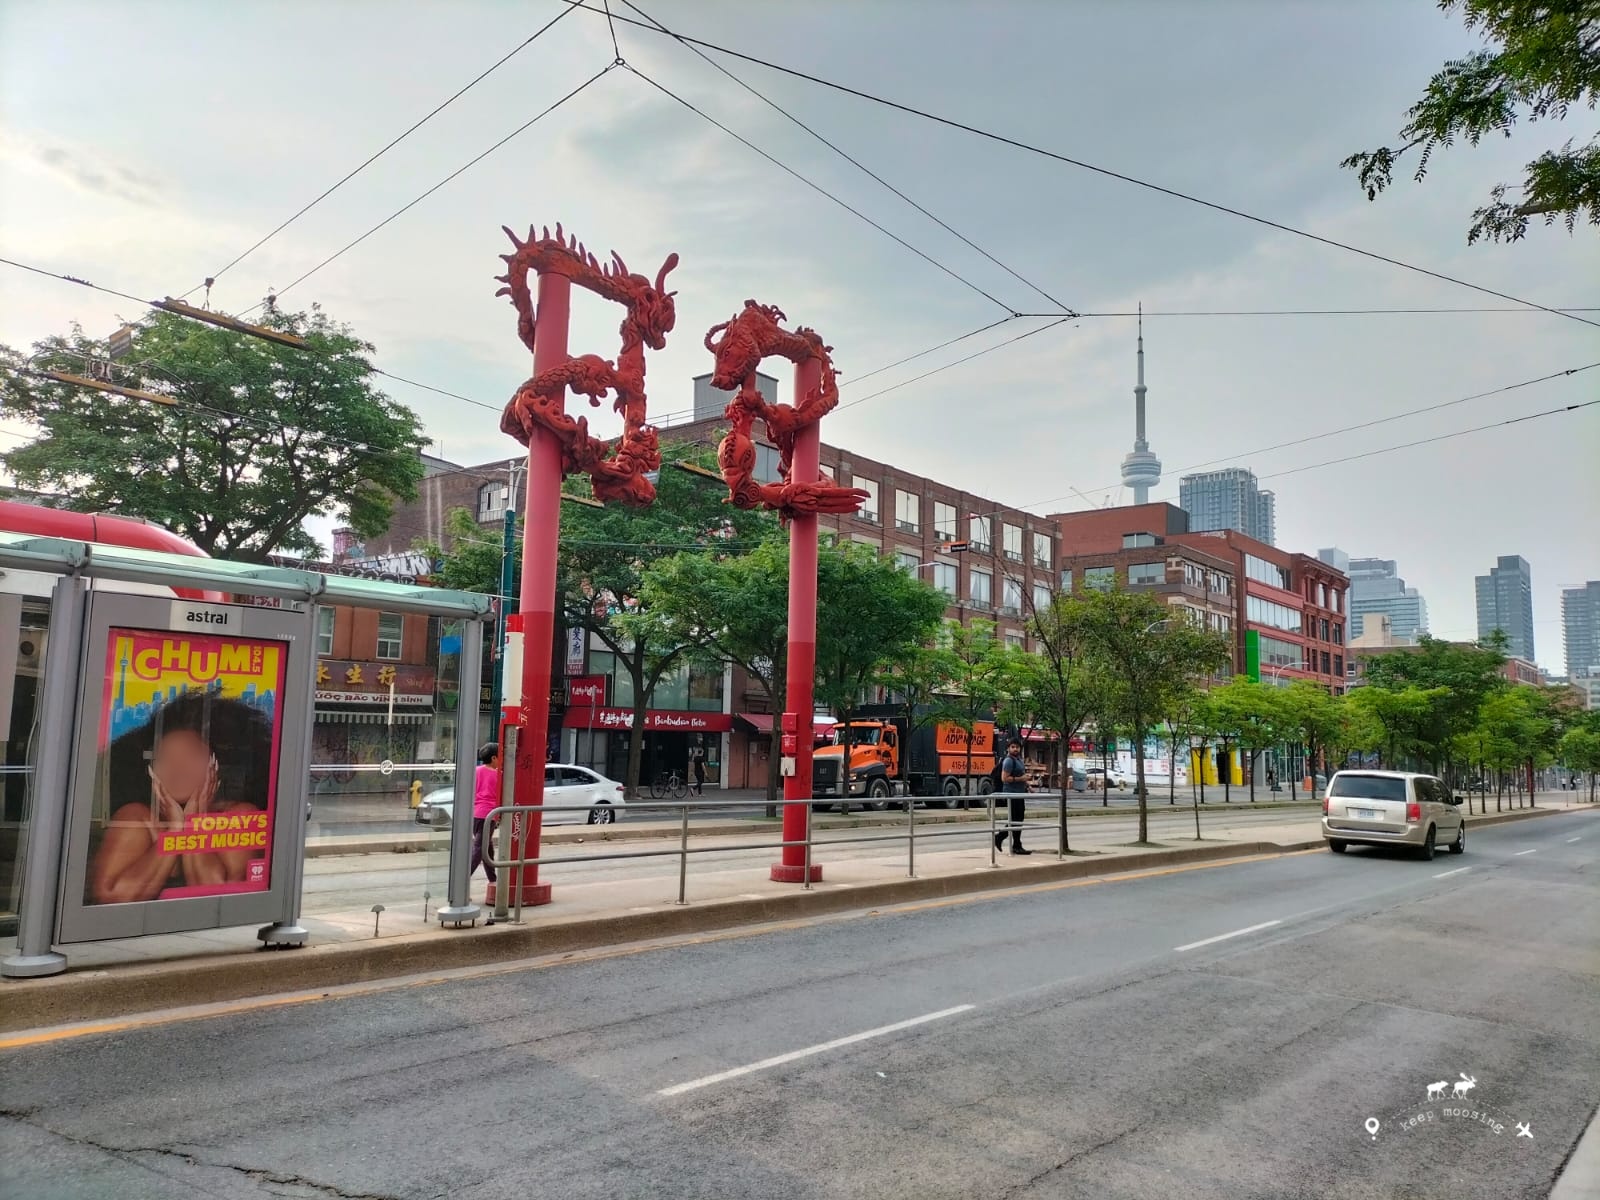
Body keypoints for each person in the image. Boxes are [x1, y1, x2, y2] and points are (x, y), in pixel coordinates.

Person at [89, 693, 270, 905]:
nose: (178, 768)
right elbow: (111, 895)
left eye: (191, 755)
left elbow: (219, 898)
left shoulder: (238, 816)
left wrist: (192, 824)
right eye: (164, 757)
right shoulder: (137, 817)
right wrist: (175, 832)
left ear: (216, 763)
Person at [470, 743, 501, 887]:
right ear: (494, 758)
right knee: (478, 850)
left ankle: (493, 881)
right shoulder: (498, 775)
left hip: (476, 814)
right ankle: (461, 883)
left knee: (487, 849)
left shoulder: (476, 771)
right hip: (488, 816)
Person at [995, 738, 1031, 856]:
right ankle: (1001, 838)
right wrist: (1021, 779)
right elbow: (1004, 778)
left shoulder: (1019, 760)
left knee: (1018, 819)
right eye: (1013, 747)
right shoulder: (1008, 761)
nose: (1015, 749)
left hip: (1019, 793)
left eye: (1017, 747)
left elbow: (1021, 775)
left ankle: (1016, 844)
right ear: (1008, 748)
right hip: (1011, 793)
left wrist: (1027, 785)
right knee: (1016, 820)